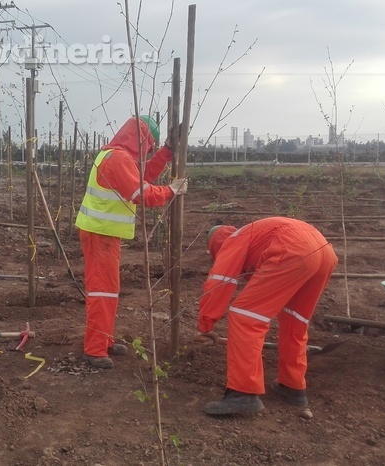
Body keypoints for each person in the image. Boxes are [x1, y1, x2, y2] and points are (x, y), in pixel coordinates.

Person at [75, 115, 188, 369]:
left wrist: (167, 151)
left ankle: (103, 341)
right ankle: (94, 349)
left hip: (102, 233)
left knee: (109, 289)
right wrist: (171, 190)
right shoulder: (118, 159)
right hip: (99, 233)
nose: (149, 151)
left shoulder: (115, 155)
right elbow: (141, 192)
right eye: (151, 146)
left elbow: (142, 174)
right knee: (102, 290)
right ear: (143, 139)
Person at [196, 217, 338, 414]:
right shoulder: (254, 234)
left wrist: (206, 324)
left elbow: (219, 282)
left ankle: (243, 394)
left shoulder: (232, 241)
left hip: (293, 249)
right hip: (324, 252)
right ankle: (292, 386)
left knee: (245, 316)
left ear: (216, 247)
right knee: (294, 319)